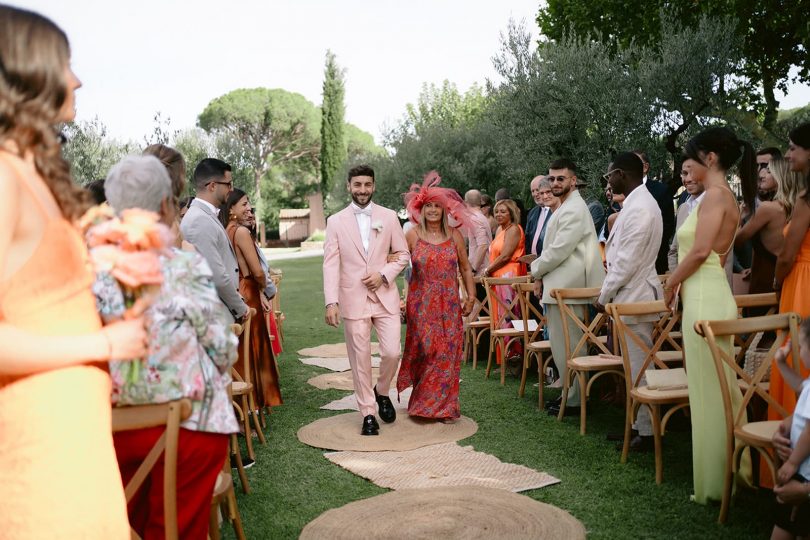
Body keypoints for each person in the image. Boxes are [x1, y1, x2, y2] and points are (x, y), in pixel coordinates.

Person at [0, 6, 147, 537]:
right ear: (26, 71)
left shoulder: (29, 172)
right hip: (36, 460)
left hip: (75, 443)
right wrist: (105, 345)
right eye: (64, 63)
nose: (77, 78)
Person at [98, 155, 238, 540]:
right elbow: (222, 349)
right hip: (191, 425)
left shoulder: (89, 271)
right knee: (177, 528)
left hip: (111, 430)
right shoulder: (181, 267)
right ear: (166, 206)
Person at [664, 126, 756, 504]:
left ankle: (719, 482)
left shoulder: (717, 196)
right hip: (705, 291)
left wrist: (670, 284)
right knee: (710, 391)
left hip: (704, 295)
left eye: (692, 160)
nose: (687, 170)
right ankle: (722, 475)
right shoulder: (718, 196)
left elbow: (700, 251)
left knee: (711, 392)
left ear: (710, 159)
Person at [322, 165, 409, 436]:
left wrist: (383, 274)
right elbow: (330, 264)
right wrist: (331, 301)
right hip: (353, 298)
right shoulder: (335, 221)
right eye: (357, 185)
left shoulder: (389, 216)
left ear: (374, 185)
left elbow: (403, 254)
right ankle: (368, 413)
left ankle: (382, 391)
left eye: (367, 185)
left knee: (392, 352)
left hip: (385, 298)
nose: (363, 190)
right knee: (359, 359)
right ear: (349, 186)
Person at [593, 153, 663, 451]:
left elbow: (625, 263)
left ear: (621, 173)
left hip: (636, 295)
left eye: (609, 176)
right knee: (634, 367)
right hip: (631, 294)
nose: (608, 182)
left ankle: (646, 433)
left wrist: (603, 295)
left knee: (640, 368)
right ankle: (636, 426)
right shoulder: (636, 204)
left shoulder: (640, 208)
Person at [397, 173, 475, 422]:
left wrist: (471, 295)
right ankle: (423, 402)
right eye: (428, 206)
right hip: (420, 305)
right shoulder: (411, 236)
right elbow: (403, 268)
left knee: (448, 353)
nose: (432, 210)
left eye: (437, 206)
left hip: (449, 303)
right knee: (427, 352)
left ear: (444, 210)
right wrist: (402, 297)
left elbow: (464, 268)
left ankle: (444, 407)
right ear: (420, 209)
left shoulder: (454, 236)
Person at [530, 158, 605, 416]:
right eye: (551, 179)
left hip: (570, 287)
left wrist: (535, 269)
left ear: (573, 180)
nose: (555, 183)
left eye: (560, 178)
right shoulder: (565, 206)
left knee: (571, 346)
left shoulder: (574, 208)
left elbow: (559, 250)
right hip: (560, 287)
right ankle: (569, 395)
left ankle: (574, 400)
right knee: (562, 347)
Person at [221, 188, 282, 409]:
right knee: (254, 348)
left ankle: (243, 405)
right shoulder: (242, 233)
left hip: (239, 289)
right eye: (244, 204)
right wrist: (266, 291)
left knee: (242, 349)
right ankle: (255, 403)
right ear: (232, 209)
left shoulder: (226, 230)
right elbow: (257, 271)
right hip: (248, 290)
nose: (249, 208)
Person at [773, 122, 810, 423]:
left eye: (792, 147)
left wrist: (777, 280)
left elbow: (787, 255)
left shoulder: (806, 199)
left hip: (802, 284)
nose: (787, 155)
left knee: (797, 356)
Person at [180, 158, 248, 322]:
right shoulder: (199, 220)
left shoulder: (205, 215)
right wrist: (240, 308)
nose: (231, 190)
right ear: (212, 186)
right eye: (228, 184)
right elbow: (216, 275)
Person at [736, 158, 800, 298]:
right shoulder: (796, 207)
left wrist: (740, 215)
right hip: (789, 278)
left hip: (766, 282)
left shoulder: (767, 209)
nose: (762, 174)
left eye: (769, 171)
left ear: (781, 176)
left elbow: (737, 241)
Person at [770, 318, 810, 540]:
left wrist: (793, 461)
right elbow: (801, 386)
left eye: (802, 346)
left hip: (804, 471)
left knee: (795, 523)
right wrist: (782, 364)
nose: (799, 350)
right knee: (789, 520)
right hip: (803, 470)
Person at [668, 162, 734, 286]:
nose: (688, 179)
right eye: (684, 173)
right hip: (685, 289)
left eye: (692, 172)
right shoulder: (683, 208)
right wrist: (677, 281)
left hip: (713, 287)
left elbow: (706, 253)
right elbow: (674, 251)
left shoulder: (719, 205)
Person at [481, 198, 526, 367]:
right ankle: (506, 355)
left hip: (508, 277)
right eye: (497, 211)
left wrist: (487, 270)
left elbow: (506, 255)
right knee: (501, 316)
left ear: (511, 213)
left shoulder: (513, 229)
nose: (499, 214)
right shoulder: (501, 229)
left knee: (510, 314)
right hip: (498, 278)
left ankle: (514, 354)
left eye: (503, 211)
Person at [634, 150, 675, 275]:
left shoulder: (661, 190)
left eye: (634, 163)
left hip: (655, 261)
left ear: (645, 167)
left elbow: (667, 225)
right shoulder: (622, 191)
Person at [524, 176, 553, 259]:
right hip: (533, 264)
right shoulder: (532, 213)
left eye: (537, 190)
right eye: (532, 191)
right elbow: (527, 238)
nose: (535, 194)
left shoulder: (557, 210)